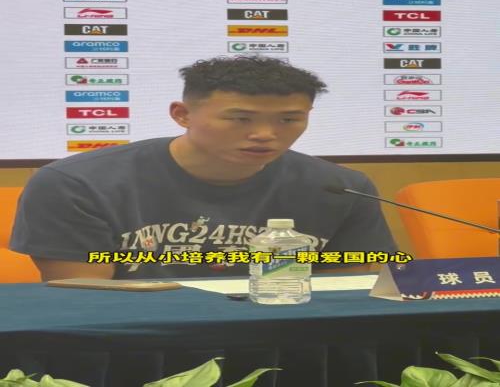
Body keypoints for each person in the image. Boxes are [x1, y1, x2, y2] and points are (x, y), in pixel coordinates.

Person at [10, 56, 395, 281]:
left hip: (290, 340)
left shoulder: (342, 187)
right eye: (240, 119)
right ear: (182, 114)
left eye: (289, 120)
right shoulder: (76, 184)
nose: (265, 135)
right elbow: (83, 300)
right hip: (135, 344)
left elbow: (352, 293)